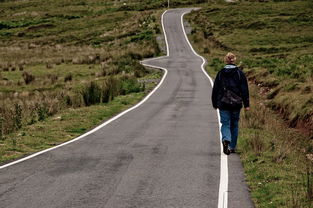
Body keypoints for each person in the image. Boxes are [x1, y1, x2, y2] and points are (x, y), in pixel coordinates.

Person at [211, 52, 250, 155]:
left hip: (223, 103)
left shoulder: (220, 73)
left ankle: (226, 139)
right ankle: (232, 147)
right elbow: (244, 90)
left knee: (225, 124)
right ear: (234, 60)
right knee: (234, 124)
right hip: (236, 104)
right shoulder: (239, 73)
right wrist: (247, 105)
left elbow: (215, 89)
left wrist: (215, 103)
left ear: (225, 60)